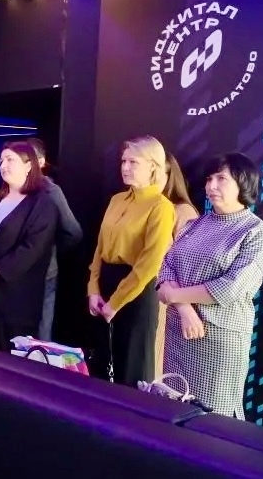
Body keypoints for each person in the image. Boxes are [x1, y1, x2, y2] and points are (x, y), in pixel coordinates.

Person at [157, 153, 263, 418]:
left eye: (221, 179)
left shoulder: (256, 232)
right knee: (173, 408)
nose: (211, 186)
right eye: (209, 179)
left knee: (212, 418)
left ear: (243, 183)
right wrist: (184, 308)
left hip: (219, 340)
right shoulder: (194, 224)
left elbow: (230, 288)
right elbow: (166, 267)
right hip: (179, 332)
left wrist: (173, 295)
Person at [88, 135, 175, 386]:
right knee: (101, 366)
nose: (125, 167)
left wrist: (115, 303)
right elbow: (100, 249)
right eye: (123, 161)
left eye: (133, 162)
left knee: (131, 371)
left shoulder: (161, 207)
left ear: (153, 166)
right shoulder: (116, 199)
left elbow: (149, 264)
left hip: (136, 293)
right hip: (105, 287)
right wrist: (93, 289)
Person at [0, 141, 58, 351]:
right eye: (1, 161)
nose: (3, 165)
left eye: (10, 160)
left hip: (17, 303)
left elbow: (31, 249)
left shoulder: (42, 204)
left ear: (28, 165)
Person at [26, 138, 82, 341]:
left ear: (41, 162)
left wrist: (49, 248)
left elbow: (73, 232)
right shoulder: (11, 189)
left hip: (43, 273)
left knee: (40, 332)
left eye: (29, 159)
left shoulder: (51, 191)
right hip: (14, 272)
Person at [154, 151, 199, 377]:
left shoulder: (182, 212)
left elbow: (184, 268)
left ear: (169, 175)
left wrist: (182, 306)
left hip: (163, 302)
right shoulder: (138, 207)